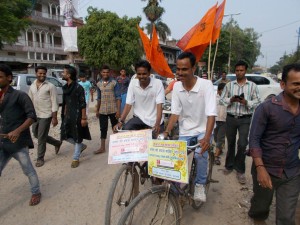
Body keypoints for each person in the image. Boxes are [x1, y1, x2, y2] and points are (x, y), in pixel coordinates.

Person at [248, 63, 300, 224]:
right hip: (266, 168)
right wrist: (260, 169)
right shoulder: (266, 108)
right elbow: (254, 140)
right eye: (296, 84)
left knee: (286, 216)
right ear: (283, 84)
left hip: (292, 172)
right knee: (260, 209)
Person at [163, 52, 217, 202]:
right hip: (186, 130)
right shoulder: (177, 88)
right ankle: (174, 193)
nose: (180, 73)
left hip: (203, 129)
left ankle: (200, 185)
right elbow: (175, 114)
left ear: (193, 68)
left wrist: (206, 138)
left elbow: (211, 114)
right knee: (176, 157)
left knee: (200, 154)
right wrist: (166, 131)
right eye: (178, 69)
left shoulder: (206, 85)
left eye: (184, 69)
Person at [0, 64, 41, 206]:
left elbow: (32, 116)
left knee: (28, 170)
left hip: (17, 143)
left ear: (9, 78)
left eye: (0, 77)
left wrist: (17, 131)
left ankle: (36, 192)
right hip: (2, 142)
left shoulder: (20, 96)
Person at [220, 60, 260, 184]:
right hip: (231, 117)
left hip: (245, 119)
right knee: (230, 143)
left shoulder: (252, 86)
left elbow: (258, 101)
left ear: (245, 71)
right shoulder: (229, 85)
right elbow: (222, 100)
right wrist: (231, 100)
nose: (239, 72)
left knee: (242, 144)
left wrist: (246, 102)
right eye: (237, 70)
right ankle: (229, 165)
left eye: (241, 70)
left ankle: (240, 170)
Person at [113, 60, 165, 138]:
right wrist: (121, 122)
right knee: (125, 130)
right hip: (139, 118)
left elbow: (159, 105)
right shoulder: (133, 83)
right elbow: (128, 104)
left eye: (144, 74)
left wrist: (157, 124)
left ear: (149, 73)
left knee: (157, 141)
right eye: (139, 74)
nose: (141, 76)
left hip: (155, 119)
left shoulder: (158, 83)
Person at [28, 66, 62, 167]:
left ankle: (40, 158)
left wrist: (54, 117)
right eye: (40, 73)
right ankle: (56, 143)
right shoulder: (32, 85)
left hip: (46, 115)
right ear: (36, 74)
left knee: (41, 137)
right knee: (35, 134)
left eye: (44, 73)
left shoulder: (50, 86)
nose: (42, 75)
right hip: (35, 114)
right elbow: (30, 100)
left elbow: (54, 102)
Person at [61, 65, 91, 168]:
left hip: (78, 116)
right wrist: (64, 114)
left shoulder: (79, 87)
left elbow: (83, 103)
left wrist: (83, 118)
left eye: (64, 72)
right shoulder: (65, 88)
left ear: (68, 75)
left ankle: (76, 158)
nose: (62, 74)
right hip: (68, 116)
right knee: (65, 134)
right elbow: (65, 103)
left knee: (78, 136)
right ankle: (81, 146)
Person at [94, 65, 121, 154]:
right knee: (103, 128)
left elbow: (118, 97)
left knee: (115, 127)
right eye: (104, 72)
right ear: (101, 73)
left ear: (109, 73)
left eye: (107, 72)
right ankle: (102, 148)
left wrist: (118, 110)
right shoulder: (98, 84)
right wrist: (97, 110)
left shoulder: (114, 83)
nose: (105, 74)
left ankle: (118, 147)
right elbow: (98, 98)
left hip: (113, 109)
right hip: (102, 110)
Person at [213, 82, 227, 165]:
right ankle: (220, 149)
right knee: (215, 138)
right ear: (218, 91)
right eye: (222, 91)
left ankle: (216, 157)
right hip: (214, 121)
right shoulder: (213, 97)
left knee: (220, 139)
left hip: (224, 121)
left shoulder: (228, 98)